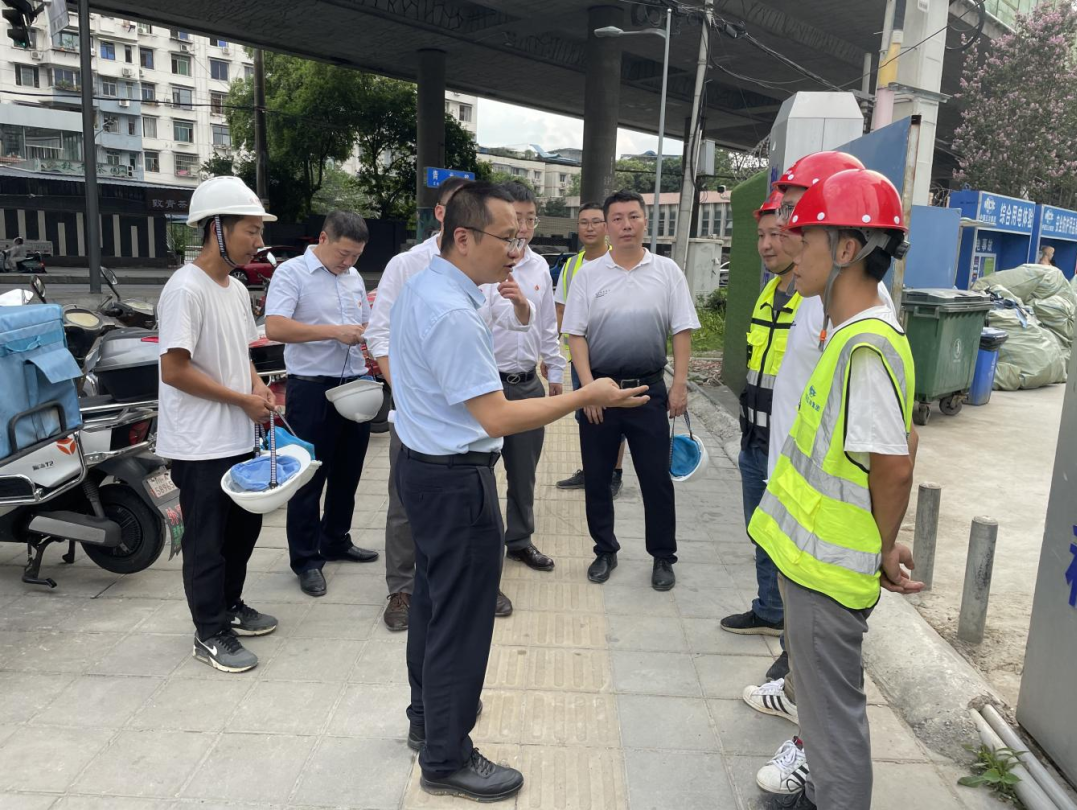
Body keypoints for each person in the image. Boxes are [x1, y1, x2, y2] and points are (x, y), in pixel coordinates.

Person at [390, 182, 649, 801]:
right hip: (455, 481)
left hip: (424, 469)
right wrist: (586, 395)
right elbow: (498, 416)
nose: (516, 250)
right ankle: (446, 757)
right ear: (462, 237)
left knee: (432, 603)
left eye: (519, 237)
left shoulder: (424, 287)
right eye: (506, 237)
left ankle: (428, 720)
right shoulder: (452, 312)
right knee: (461, 620)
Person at [749, 168, 923, 810]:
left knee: (831, 722)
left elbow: (895, 463)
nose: (790, 249)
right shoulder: (849, 334)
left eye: (806, 238)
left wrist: (882, 546)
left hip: (831, 569)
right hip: (816, 563)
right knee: (823, 717)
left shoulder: (865, 345)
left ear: (848, 248)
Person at [366, 176, 531, 630]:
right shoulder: (412, 270)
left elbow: (505, 326)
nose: (513, 249)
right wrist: (412, 392)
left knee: (449, 578)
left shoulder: (468, 277)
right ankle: (403, 588)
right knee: (408, 516)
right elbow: (381, 333)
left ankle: (467, 584)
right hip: (434, 434)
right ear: (452, 222)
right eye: (507, 237)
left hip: (460, 416)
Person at [157, 176, 279, 673]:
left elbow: (240, 352)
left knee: (242, 532)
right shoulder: (185, 289)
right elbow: (174, 370)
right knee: (206, 542)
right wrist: (241, 400)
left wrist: (258, 387)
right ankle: (209, 632)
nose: (258, 240)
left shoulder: (235, 288)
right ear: (216, 229)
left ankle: (229, 605)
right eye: (250, 230)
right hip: (199, 442)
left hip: (237, 434)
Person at [562, 189, 699, 591]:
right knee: (598, 477)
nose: (626, 225)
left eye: (633, 216)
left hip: (648, 391)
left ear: (645, 221)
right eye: (617, 218)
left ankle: (663, 556)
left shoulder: (667, 271)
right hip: (601, 391)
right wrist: (588, 388)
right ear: (607, 226)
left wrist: (678, 385)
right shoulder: (589, 275)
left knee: (656, 479)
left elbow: (682, 329)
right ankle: (605, 549)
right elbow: (575, 335)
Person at [264, 211, 379, 598]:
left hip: (355, 385)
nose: (348, 262)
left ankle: (336, 539)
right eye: (343, 254)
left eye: (356, 256)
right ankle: (306, 559)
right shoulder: (292, 273)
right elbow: (276, 327)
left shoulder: (353, 277)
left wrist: (368, 335)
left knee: (349, 471)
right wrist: (333, 332)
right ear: (324, 238)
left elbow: (365, 322)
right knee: (309, 476)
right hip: (312, 388)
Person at [719, 189, 801, 662]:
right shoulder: (769, 292)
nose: (767, 245)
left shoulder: (815, 303)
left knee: (789, 543)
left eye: (778, 234)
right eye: (762, 235)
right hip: (755, 439)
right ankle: (769, 609)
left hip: (788, 447)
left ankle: (794, 642)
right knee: (760, 531)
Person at [492, 182, 565, 574]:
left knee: (524, 473)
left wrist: (555, 370)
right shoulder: (484, 264)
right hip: (486, 386)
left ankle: (519, 541)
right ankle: (480, 543)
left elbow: (547, 326)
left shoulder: (539, 267)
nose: (523, 227)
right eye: (516, 218)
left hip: (527, 386)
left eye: (530, 219)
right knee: (477, 472)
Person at [554, 203, 627, 498]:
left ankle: (614, 472)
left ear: (606, 227)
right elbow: (560, 310)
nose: (589, 227)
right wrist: (555, 352)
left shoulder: (619, 263)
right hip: (579, 357)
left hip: (613, 354)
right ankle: (592, 469)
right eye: (584, 222)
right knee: (586, 415)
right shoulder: (572, 265)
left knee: (615, 414)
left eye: (596, 221)